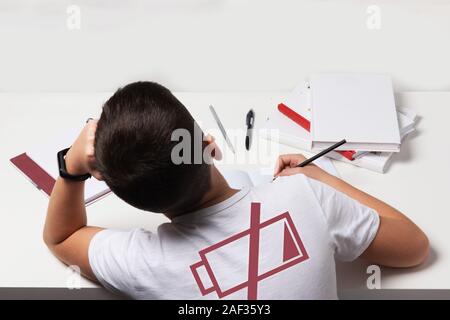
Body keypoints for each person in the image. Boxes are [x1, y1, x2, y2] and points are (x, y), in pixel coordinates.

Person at [43, 81, 429, 299]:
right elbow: (414, 247)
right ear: (211, 145)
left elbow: (62, 237)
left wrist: (72, 167)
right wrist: (320, 179)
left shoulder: (146, 262)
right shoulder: (303, 198)